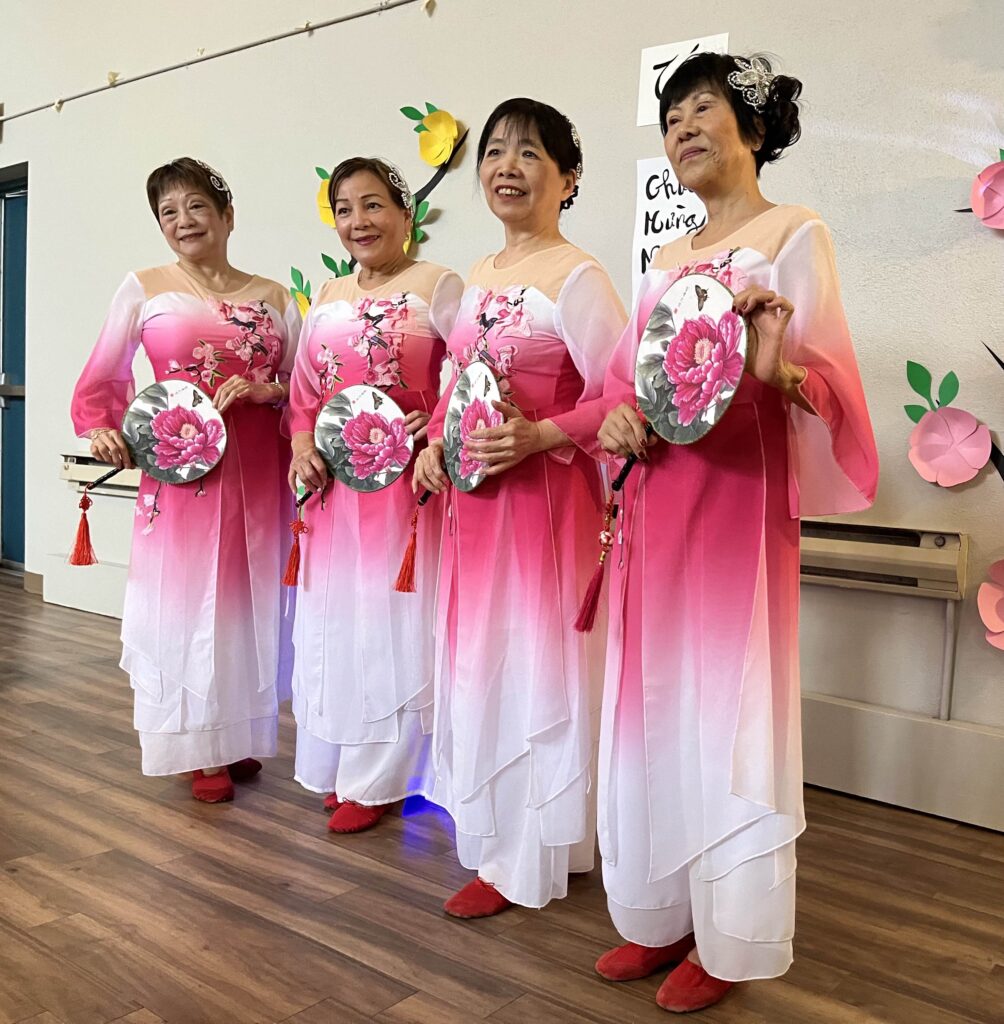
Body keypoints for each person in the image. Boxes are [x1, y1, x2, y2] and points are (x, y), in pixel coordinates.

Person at [590, 54, 879, 1012]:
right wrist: (622, 419)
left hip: (738, 508)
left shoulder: (795, 234)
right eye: (671, 116)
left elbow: (829, 383)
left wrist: (774, 365)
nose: (682, 127)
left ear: (753, 128)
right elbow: (631, 387)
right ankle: (656, 911)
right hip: (656, 506)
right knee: (652, 706)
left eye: (703, 108)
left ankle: (729, 934)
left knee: (727, 706)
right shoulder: (661, 264)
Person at [413, 98, 627, 918]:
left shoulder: (579, 278)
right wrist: (433, 445)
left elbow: (621, 397)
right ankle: (507, 837)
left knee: (537, 672)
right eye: (495, 151)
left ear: (567, 178)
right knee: (483, 668)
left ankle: (529, 856)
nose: (506, 165)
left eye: (530, 153)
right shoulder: (477, 280)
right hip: (474, 515)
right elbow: (454, 390)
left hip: (545, 513)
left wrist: (543, 434)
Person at [71, 158, 301, 803]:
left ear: (227, 215)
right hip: (182, 475)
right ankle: (194, 745)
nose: (183, 222)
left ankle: (235, 736)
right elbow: (105, 375)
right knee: (181, 604)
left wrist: (267, 390)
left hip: (258, 473)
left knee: (246, 602)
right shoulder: (144, 287)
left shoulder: (275, 297)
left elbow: (307, 390)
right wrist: (100, 426)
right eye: (168, 213)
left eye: (195, 206)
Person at [287, 157, 462, 833]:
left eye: (373, 205)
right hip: (333, 492)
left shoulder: (437, 285)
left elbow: (470, 371)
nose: (359, 221)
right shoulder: (328, 293)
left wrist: (437, 420)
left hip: (403, 492)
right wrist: (302, 443)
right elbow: (304, 391)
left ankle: (388, 779)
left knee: (392, 627)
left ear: (405, 212)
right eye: (345, 209)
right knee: (338, 626)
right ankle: (343, 763)